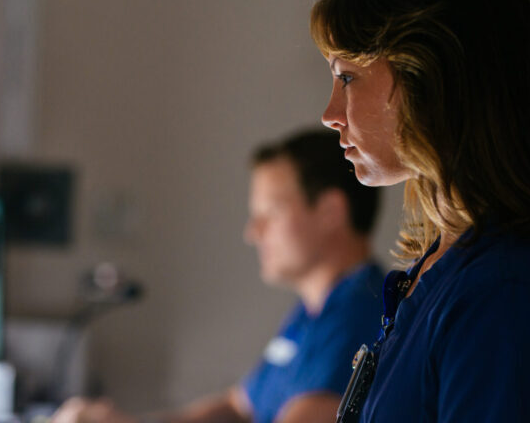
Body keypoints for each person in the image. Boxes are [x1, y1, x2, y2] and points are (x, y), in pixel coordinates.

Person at [52, 129, 384, 423]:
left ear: (331, 212)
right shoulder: (312, 312)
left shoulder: (359, 315)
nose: (252, 233)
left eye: (269, 214)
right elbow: (237, 407)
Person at [311, 0, 530, 421]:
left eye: (347, 77)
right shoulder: (435, 267)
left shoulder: (501, 291)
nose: (329, 113)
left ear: (429, 79)